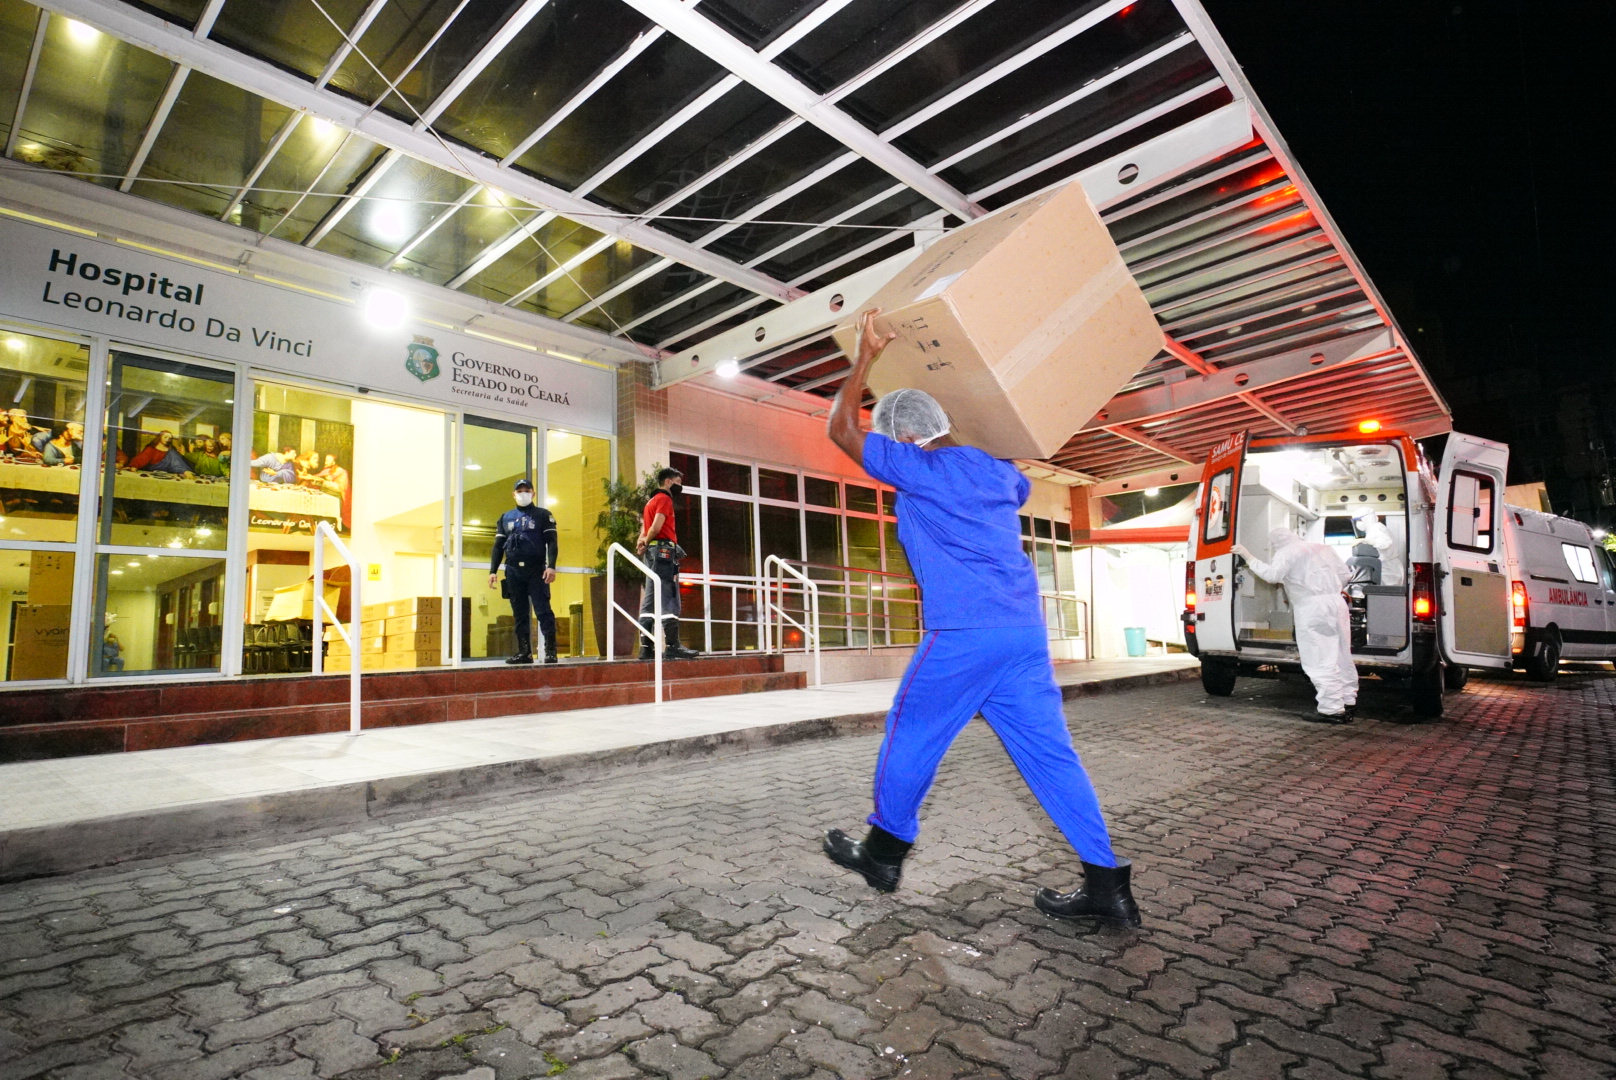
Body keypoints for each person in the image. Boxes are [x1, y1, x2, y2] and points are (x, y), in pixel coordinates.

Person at [818, 309, 1141, 928]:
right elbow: (1014, 478)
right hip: (1021, 636)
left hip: (964, 634)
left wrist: (864, 359)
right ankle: (1107, 884)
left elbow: (839, 428)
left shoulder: (920, 469)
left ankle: (883, 854)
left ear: (903, 438)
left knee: (912, 732)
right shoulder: (999, 475)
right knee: (1050, 755)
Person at [1233, 527, 1358, 723]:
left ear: (1276, 543)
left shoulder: (1286, 553)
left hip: (1311, 606)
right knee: (1342, 654)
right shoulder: (1323, 548)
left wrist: (1248, 557)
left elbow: (1272, 575)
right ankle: (1349, 700)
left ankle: (1332, 709)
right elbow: (1345, 575)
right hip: (1336, 602)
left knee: (1320, 658)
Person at [489, 479, 560, 665]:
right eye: (519, 491)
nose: (523, 493)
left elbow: (552, 542)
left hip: (536, 569)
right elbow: (498, 546)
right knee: (519, 613)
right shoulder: (506, 517)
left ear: (533, 493)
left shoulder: (543, 515)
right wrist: (492, 571)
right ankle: (524, 652)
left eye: (527, 490)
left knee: (543, 610)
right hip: (513, 570)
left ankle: (551, 651)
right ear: (513, 494)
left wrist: (551, 566)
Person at [634, 468, 701, 661]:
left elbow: (645, 528)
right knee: (669, 595)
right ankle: (673, 646)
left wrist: (642, 542)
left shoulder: (650, 502)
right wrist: (646, 541)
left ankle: (646, 648)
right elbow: (656, 526)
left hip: (653, 553)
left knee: (650, 597)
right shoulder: (664, 499)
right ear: (669, 482)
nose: (680, 486)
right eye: (678, 482)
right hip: (663, 552)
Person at [1353, 510, 1404, 586]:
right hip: (1384, 567)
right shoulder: (1371, 530)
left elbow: (1386, 543)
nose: (1358, 523)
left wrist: (1368, 541)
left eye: (1360, 520)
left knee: (1386, 594)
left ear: (1368, 518)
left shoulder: (1377, 527)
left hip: (1388, 568)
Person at [126, 431, 194, 476]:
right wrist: (134, 466)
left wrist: (185, 471)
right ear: (160, 437)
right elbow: (141, 458)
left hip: (168, 475)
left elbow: (177, 463)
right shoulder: (151, 448)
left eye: (170, 438)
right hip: (151, 474)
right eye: (165, 437)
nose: (168, 439)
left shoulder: (171, 451)